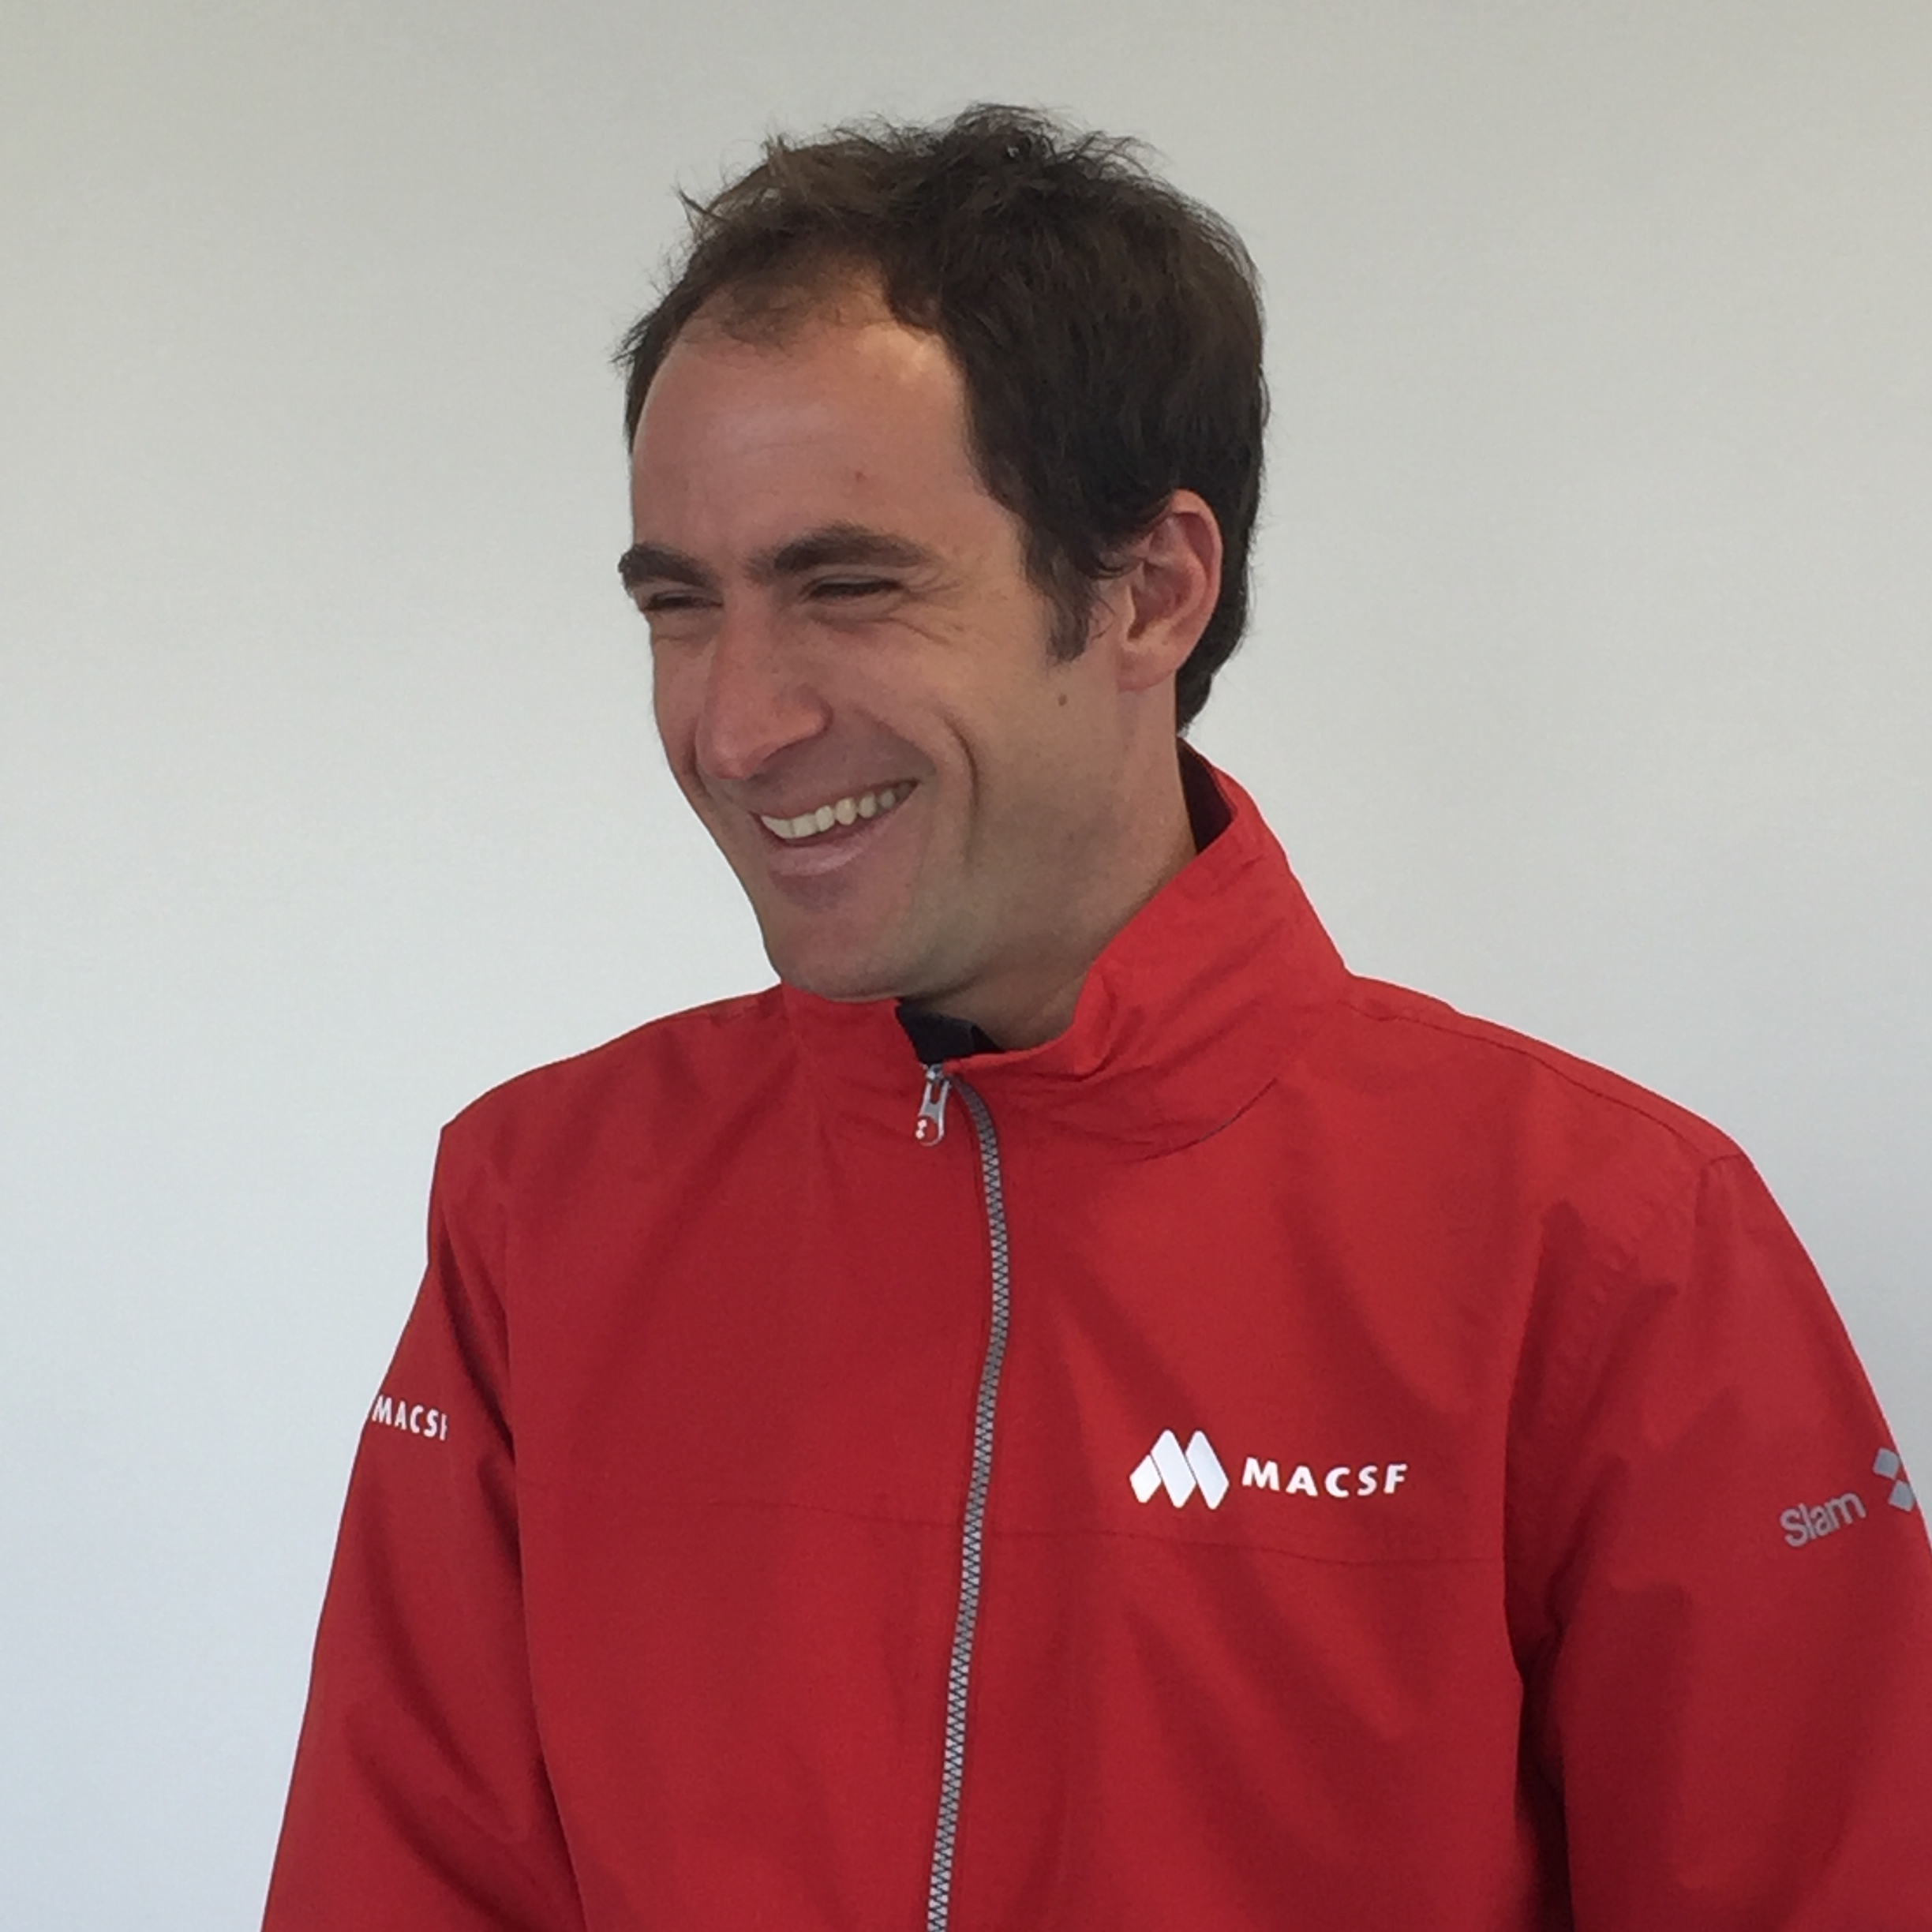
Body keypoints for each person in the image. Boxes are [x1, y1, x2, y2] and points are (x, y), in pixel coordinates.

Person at [264, 107, 1932, 1930]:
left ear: (1150, 592)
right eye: (682, 606)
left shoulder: (1608, 1246)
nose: (735, 727)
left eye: (848, 586)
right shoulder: (542, 1206)